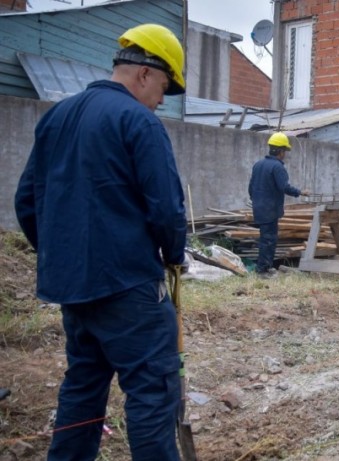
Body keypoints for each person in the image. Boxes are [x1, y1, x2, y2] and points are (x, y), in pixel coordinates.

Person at [14, 24, 188, 460]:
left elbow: (27, 201)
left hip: (73, 288)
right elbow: (166, 206)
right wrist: (174, 256)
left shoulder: (57, 116)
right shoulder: (139, 121)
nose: (162, 100)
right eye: (164, 86)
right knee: (152, 390)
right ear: (145, 74)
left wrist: (64, 257)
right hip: (128, 286)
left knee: (83, 388)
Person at [248, 132, 308, 277]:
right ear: (281, 151)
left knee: (265, 238)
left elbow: (251, 188)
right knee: (269, 240)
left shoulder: (258, 165)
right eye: (285, 151)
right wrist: (300, 192)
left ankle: (264, 267)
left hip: (259, 208)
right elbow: (284, 187)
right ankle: (263, 270)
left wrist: (257, 201)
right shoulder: (277, 167)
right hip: (270, 210)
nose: (285, 154)